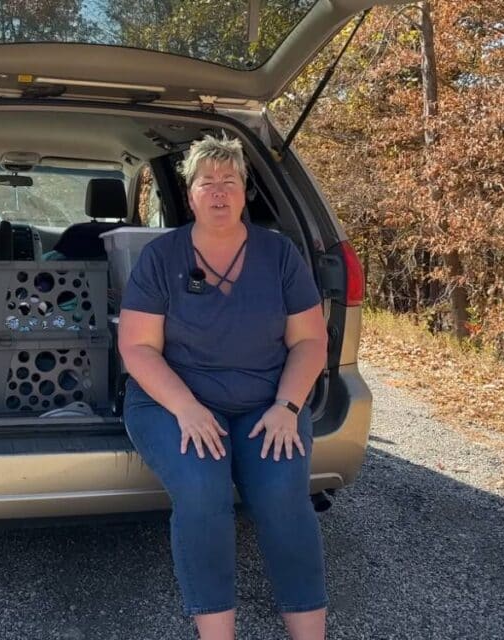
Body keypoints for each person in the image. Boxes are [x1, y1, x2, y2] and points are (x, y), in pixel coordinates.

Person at [118, 135, 329, 640]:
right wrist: (186, 408)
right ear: (189, 194)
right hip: (171, 401)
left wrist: (287, 404)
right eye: (206, 183)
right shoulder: (160, 257)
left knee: (285, 498)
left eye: (228, 182)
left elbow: (310, 342)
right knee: (202, 487)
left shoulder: (279, 255)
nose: (218, 192)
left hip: (267, 402)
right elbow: (138, 349)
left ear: (244, 190)